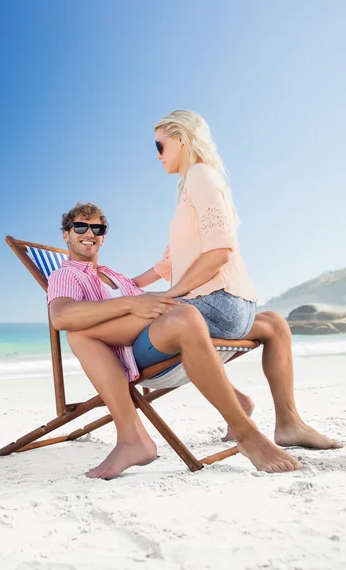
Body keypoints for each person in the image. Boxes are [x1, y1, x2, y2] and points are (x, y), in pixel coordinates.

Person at [47, 202, 340, 480]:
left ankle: (288, 423)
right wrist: (130, 305)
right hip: (135, 352)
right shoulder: (66, 274)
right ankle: (245, 433)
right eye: (80, 227)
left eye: (97, 229)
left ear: (103, 238)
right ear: (66, 233)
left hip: (161, 333)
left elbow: (152, 283)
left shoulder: (114, 276)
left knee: (272, 322)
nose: (89, 234)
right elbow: (61, 316)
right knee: (185, 317)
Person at [132, 109, 343, 450]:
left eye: (160, 145)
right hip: (238, 306)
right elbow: (168, 262)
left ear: (181, 140)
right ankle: (288, 423)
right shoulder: (195, 184)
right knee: (275, 323)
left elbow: (219, 253)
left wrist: (171, 293)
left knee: (135, 321)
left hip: (216, 304)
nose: (157, 155)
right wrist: (129, 284)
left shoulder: (200, 176)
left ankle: (241, 420)